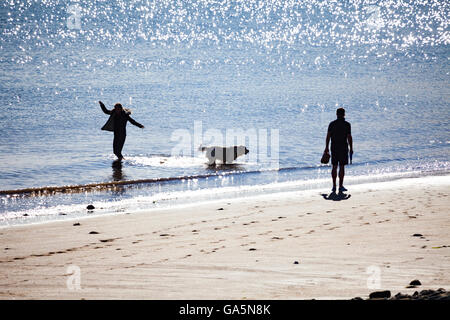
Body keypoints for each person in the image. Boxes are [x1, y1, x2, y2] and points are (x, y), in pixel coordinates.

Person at [324, 107, 353, 193]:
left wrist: (326, 147)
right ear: (344, 114)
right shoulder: (347, 124)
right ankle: (340, 186)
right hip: (343, 147)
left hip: (334, 147)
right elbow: (349, 138)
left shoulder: (332, 124)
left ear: (336, 114)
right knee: (342, 166)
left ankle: (334, 186)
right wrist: (351, 148)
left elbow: (328, 136)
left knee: (334, 166)